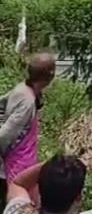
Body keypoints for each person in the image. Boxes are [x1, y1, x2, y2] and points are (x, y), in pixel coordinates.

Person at [0, 53, 56, 205]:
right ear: (50, 75)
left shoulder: (23, 89)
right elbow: (4, 135)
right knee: (18, 207)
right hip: (15, 164)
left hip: (22, 161)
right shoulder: (27, 101)